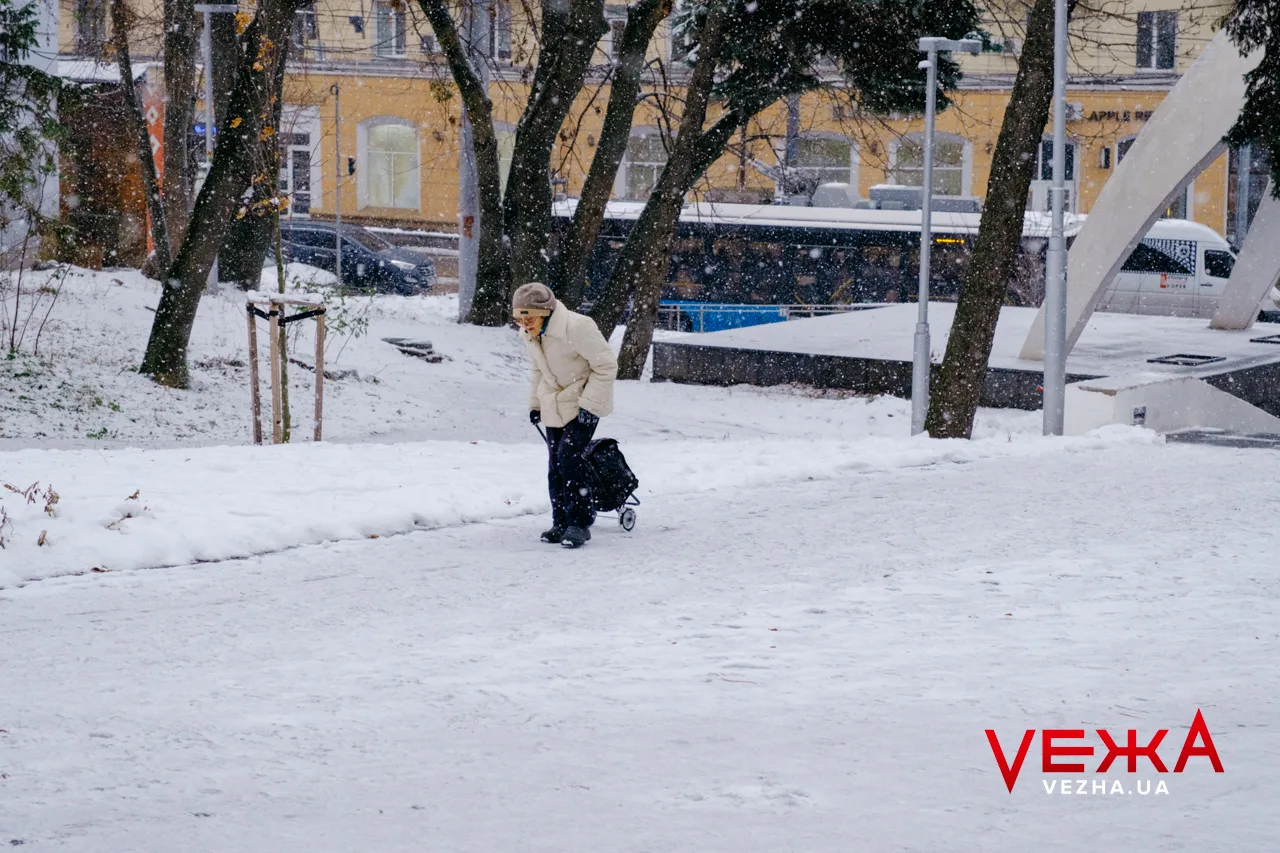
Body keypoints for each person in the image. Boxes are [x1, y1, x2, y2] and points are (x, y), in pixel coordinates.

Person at [512, 282, 618, 549]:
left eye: (530, 318)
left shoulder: (578, 327)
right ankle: (560, 521)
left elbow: (606, 366)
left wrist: (589, 406)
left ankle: (579, 523)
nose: (525, 325)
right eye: (519, 319)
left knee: (568, 458)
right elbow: (538, 370)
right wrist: (535, 405)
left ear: (546, 314)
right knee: (554, 464)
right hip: (553, 403)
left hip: (583, 401)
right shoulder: (530, 334)